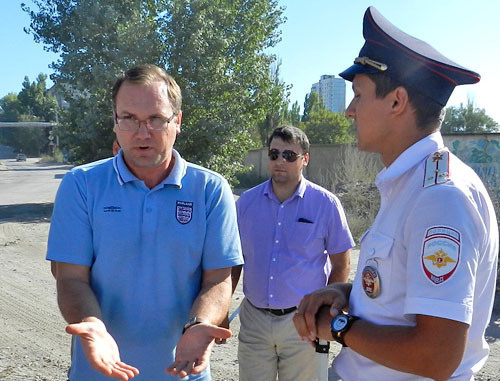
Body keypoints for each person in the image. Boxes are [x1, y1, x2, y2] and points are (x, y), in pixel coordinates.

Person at [293, 7, 499, 381]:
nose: (350, 111)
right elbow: (403, 293)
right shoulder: (412, 184)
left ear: (396, 102)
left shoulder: (440, 197)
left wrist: (338, 326)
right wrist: (348, 293)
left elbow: (436, 356)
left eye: (358, 95)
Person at [47, 64, 243, 380]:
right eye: (129, 119)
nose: (142, 133)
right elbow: (70, 278)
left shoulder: (210, 189)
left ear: (177, 121)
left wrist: (198, 325)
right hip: (99, 371)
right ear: (114, 122)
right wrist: (93, 326)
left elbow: (219, 279)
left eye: (155, 119)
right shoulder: (81, 185)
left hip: (183, 371)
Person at [233, 125, 355, 380]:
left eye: (289, 156)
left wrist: (324, 312)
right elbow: (234, 261)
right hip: (254, 320)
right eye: (274, 153)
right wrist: (222, 309)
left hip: (303, 321)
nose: (280, 161)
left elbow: (341, 264)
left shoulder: (326, 204)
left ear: (305, 160)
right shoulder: (246, 203)